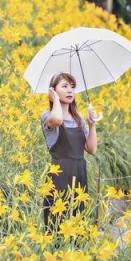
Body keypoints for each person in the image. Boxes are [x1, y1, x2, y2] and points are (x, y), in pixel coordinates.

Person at [40, 72, 100, 231]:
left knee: (78, 225)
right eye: (64, 86)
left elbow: (92, 149)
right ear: (53, 91)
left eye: (72, 87)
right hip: (59, 176)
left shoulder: (79, 119)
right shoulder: (47, 116)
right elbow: (57, 120)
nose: (70, 91)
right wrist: (55, 101)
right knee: (56, 226)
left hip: (79, 174)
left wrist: (92, 124)